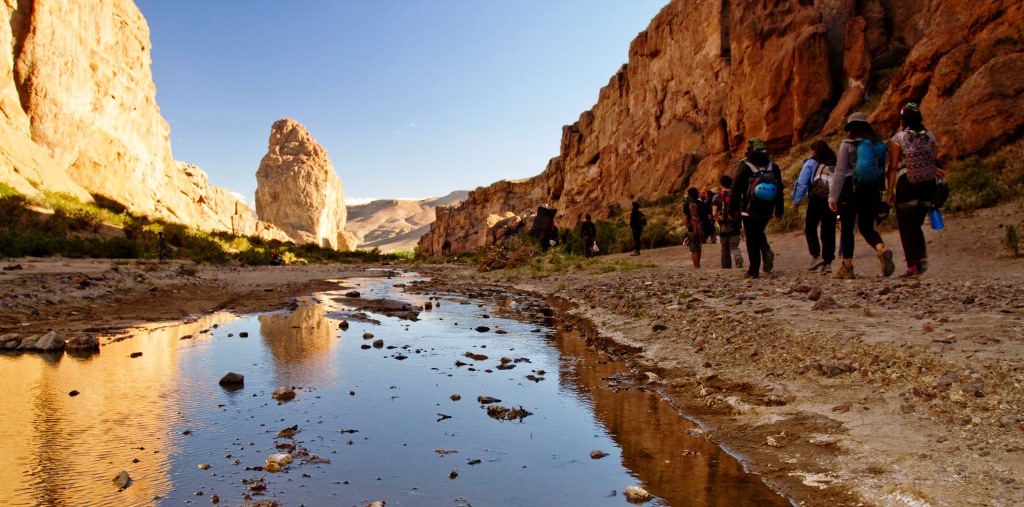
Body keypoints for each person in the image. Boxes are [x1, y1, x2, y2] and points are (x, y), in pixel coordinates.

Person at [828, 112, 896, 279]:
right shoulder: (876, 144)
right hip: (871, 191)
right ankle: (881, 248)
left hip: (849, 191)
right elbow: (880, 170)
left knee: (847, 229)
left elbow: (840, 171)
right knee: (866, 227)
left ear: (850, 128)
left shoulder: (847, 144)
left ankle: (847, 268)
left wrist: (833, 197)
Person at [887, 102, 944, 277]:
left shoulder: (899, 138)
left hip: (907, 184)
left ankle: (912, 265)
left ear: (903, 120)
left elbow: (894, 167)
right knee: (917, 223)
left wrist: (890, 191)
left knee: (905, 225)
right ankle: (921, 259)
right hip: (928, 185)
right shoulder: (931, 137)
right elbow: (932, 163)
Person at [730, 138, 784, 278]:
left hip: (749, 208)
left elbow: (735, 189)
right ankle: (766, 251)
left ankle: (753, 270)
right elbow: (780, 189)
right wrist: (779, 209)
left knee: (751, 237)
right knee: (758, 232)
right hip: (767, 208)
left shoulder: (745, 165)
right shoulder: (773, 166)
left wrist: (732, 209)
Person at [792, 140, 838, 274]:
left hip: (816, 199)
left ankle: (816, 255)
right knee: (828, 230)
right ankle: (828, 263)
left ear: (816, 151)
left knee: (810, 227)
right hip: (832, 198)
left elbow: (801, 182)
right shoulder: (834, 161)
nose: (812, 153)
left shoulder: (811, 162)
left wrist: (796, 201)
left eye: (813, 150)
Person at [712, 175, 744, 269]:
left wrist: (719, 221)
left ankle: (726, 267)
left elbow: (714, 213)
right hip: (736, 223)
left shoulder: (717, 196)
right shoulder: (738, 195)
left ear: (721, 184)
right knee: (734, 246)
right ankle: (738, 257)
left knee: (724, 247)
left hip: (724, 225)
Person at [683, 187, 703, 267]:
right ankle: (698, 264)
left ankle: (696, 266)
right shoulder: (702, 203)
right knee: (699, 247)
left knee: (693, 248)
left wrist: (687, 225)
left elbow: (686, 218)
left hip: (691, 228)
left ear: (689, 195)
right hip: (701, 228)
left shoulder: (686, 205)